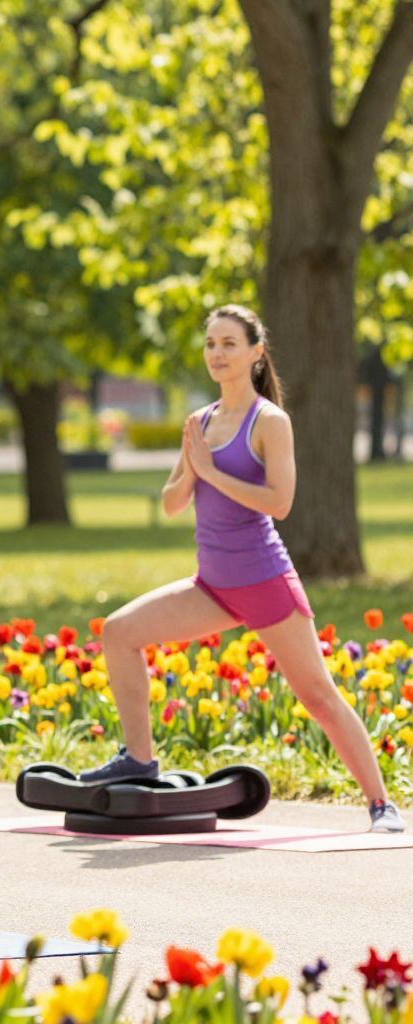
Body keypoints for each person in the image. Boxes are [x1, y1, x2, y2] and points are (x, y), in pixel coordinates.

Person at [79, 304, 404, 833]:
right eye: (211, 343)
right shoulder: (200, 422)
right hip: (212, 586)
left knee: (318, 695)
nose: (217, 353)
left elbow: (280, 502)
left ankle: (381, 804)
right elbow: (171, 503)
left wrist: (211, 471)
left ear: (256, 353)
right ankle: (139, 760)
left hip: (264, 581)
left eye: (229, 343)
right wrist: (194, 467)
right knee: (118, 632)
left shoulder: (269, 421)